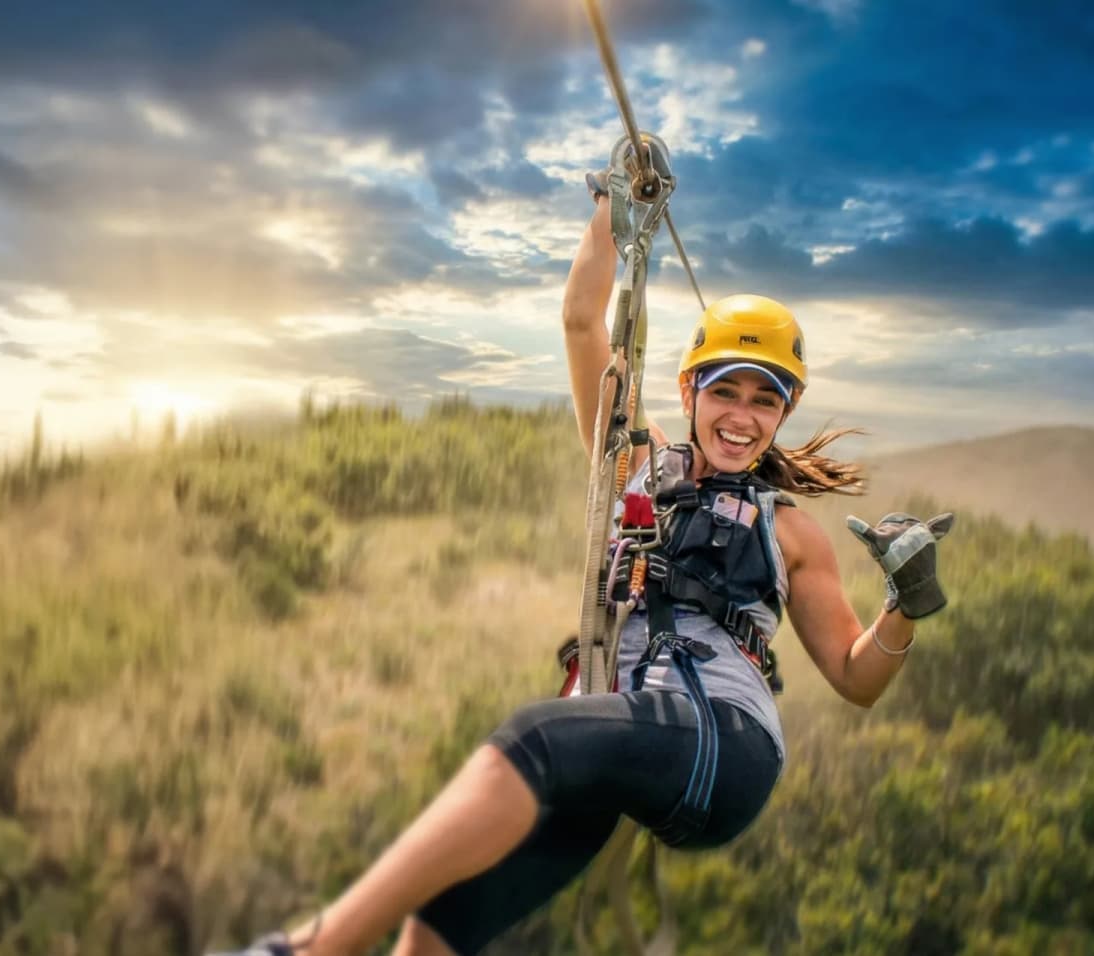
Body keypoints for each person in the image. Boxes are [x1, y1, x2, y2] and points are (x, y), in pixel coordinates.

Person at [216, 185, 955, 956]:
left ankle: (309, 951)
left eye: (764, 402)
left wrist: (905, 602)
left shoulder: (790, 531)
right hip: (627, 739)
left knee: (536, 736)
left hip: (726, 743)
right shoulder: (636, 462)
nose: (742, 417)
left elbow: (855, 677)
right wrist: (612, 207)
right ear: (689, 391)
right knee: (445, 917)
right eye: (725, 391)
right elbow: (581, 321)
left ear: (784, 413)